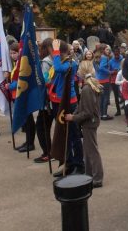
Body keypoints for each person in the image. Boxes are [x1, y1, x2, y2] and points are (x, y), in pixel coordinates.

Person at [65, 61, 104, 188]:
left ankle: (97, 178)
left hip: (89, 123)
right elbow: (85, 106)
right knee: (88, 151)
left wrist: (73, 117)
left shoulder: (87, 88)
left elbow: (87, 112)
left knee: (92, 151)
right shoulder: (90, 85)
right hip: (90, 122)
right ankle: (89, 175)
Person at [50, 39, 84, 176]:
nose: (53, 54)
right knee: (64, 134)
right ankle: (68, 163)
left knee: (74, 135)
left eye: (53, 51)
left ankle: (79, 164)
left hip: (69, 102)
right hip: (60, 101)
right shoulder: (62, 61)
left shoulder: (71, 63)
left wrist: (56, 50)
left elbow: (58, 69)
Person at [34, 38, 55, 163]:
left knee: (42, 127)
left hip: (48, 99)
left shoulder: (46, 62)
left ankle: (48, 152)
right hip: (55, 98)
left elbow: (45, 81)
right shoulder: (57, 60)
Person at [96, 44, 113, 120]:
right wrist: (109, 72)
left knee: (101, 98)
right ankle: (104, 115)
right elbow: (101, 68)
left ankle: (101, 114)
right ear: (103, 50)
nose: (108, 51)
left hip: (100, 79)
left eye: (109, 50)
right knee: (105, 97)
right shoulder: (104, 57)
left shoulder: (100, 57)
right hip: (104, 80)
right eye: (107, 49)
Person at [109, 47, 123, 116]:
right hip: (114, 80)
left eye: (118, 53)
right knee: (116, 96)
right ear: (113, 54)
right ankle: (118, 110)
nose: (117, 55)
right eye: (115, 54)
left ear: (119, 53)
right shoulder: (111, 61)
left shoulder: (122, 59)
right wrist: (112, 72)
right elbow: (108, 71)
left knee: (123, 95)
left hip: (122, 80)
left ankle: (126, 108)